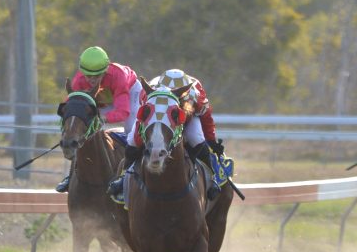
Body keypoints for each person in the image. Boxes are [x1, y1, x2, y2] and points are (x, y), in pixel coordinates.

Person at [107, 68, 232, 205]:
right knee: (132, 140)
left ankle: (212, 179)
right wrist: (138, 141)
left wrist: (212, 141)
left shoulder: (196, 96)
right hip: (156, 116)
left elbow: (206, 119)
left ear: (184, 95)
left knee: (196, 138)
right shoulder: (149, 93)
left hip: (185, 118)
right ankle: (124, 177)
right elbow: (142, 121)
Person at [55, 46, 144, 193]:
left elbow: (123, 112)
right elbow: (72, 107)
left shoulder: (118, 76)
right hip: (105, 98)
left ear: (105, 70)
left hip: (130, 93)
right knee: (82, 131)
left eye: (96, 76)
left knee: (132, 133)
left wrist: (102, 120)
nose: (91, 80)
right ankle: (71, 176)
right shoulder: (79, 81)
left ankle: (130, 176)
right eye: (88, 75)